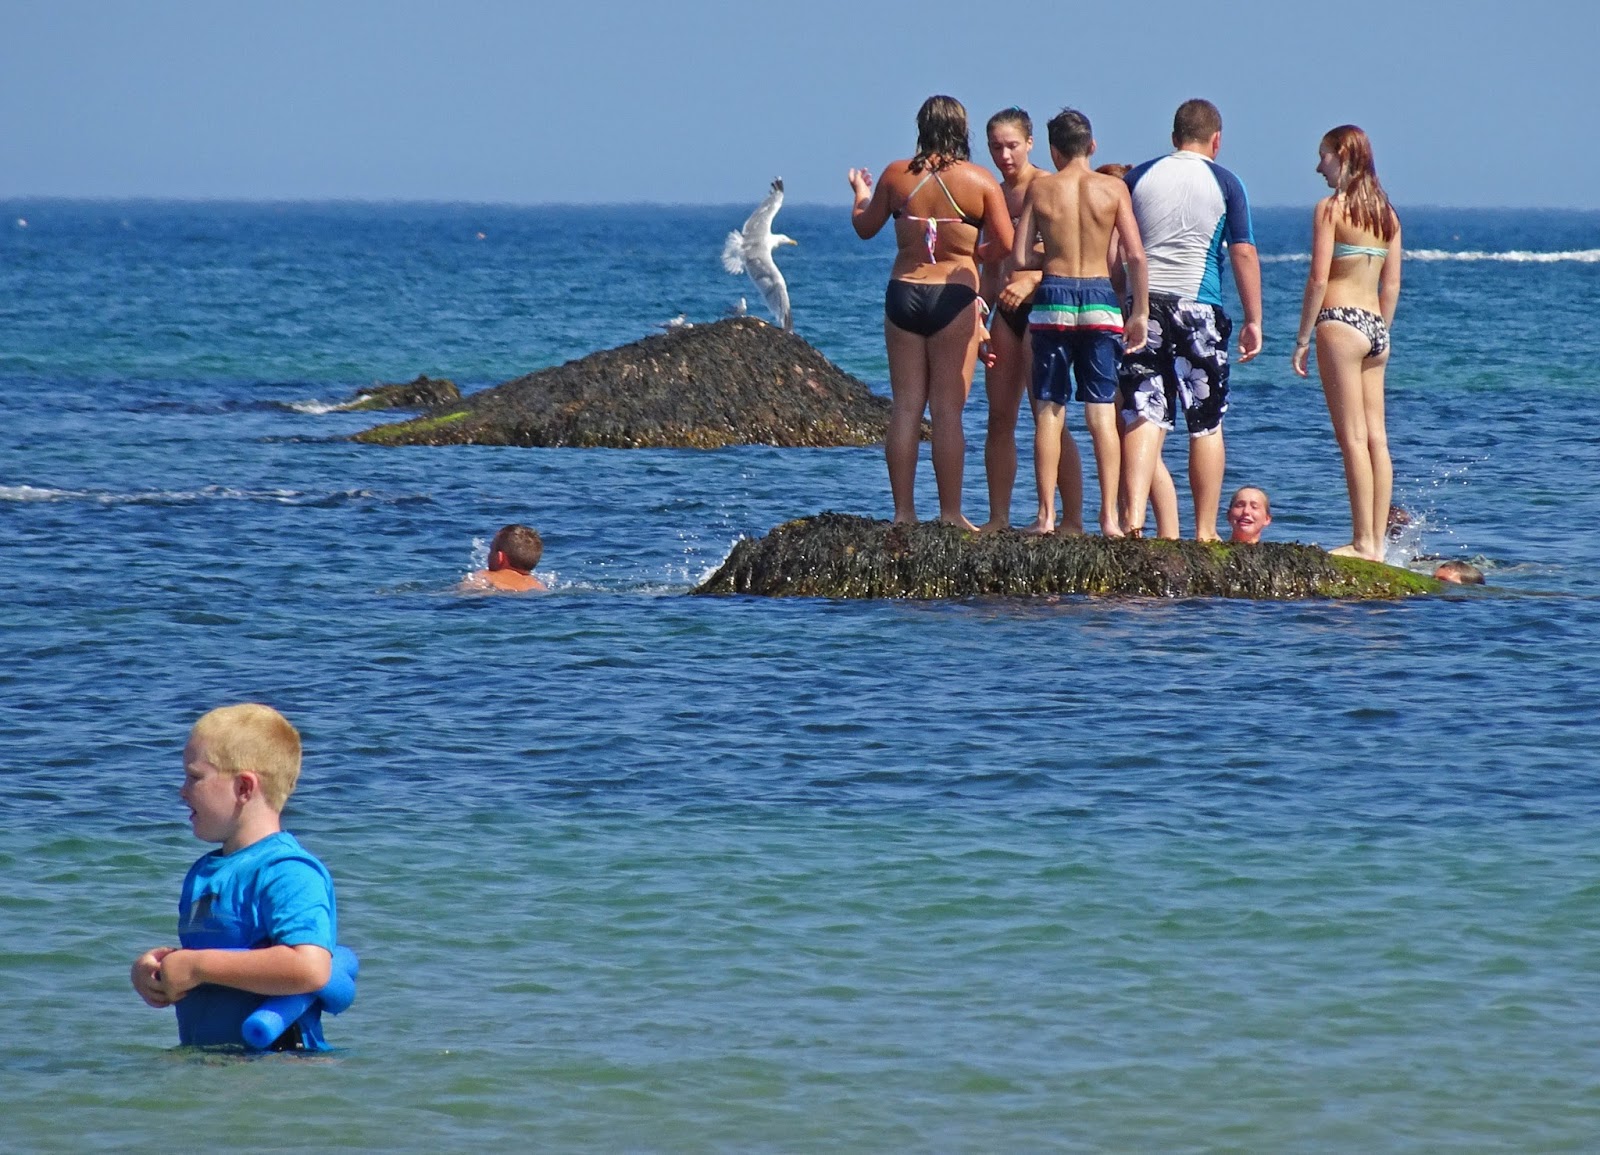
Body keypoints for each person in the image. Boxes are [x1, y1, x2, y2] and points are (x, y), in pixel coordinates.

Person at [130, 704, 339, 1050]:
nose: (182, 791)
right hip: (212, 1066)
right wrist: (155, 973)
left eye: (195, 777)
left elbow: (310, 968)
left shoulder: (288, 871)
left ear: (244, 787)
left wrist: (197, 966)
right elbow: (218, 953)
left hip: (278, 1068)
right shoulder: (204, 872)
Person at [848, 95, 1014, 528]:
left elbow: (865, 227)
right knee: (946, 411)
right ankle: (951, 514)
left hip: (904, 292)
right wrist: (974, 253)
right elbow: (1008, 244)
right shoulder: (980, 182)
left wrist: (860, 194)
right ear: (962, 131)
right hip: (953, 296)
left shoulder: (895, 176)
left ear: (921, 127)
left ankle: (903, 513)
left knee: (905, 406)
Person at [1120, 98, 1263, 542]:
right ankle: (1203, 531)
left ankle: (1132, 524)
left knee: (1145, 414)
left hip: (1145, 306)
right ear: (1216, 140)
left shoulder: (1138, 177)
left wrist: (1123, 301)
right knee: (1205, 421)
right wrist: (1253, 318)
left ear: (1173, 137)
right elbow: (1241, 251)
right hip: (1198, 308)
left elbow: (1118, 250)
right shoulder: (1224, 182)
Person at [1012, 108, 1148, 536]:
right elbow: (1136, 256)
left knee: (1050, 410)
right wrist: (1139, 312)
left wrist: (1048, 255)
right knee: (1101, 413)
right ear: (1092, 146)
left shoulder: (1041, 189)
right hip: (1099, 299)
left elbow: (1018, 257)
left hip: (1053, 295)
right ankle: (1109, 518)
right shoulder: (1113, 189)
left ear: (1053, 150)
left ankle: (1046, 516)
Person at [1291, 125, 1402, 562]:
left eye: (1324, 157)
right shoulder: (1388, 216)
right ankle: (1377, 542)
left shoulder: (1330, 209)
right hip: (1376, 327)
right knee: (1379, 439)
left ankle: (1362, 542)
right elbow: (1391, 287)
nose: (1319, 167)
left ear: (1342, 154)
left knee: (1352, 439)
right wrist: (1381, 330)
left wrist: (1302, 339)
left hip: (1339, 322)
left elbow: (1319, 279)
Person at [977, 107, 1076, 531]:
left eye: (1012, 146)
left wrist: (1034, 278)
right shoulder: (992, 193)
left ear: (1031, 143)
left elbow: (1073, 256)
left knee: (1048, 416)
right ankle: (998, 518)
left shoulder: (1048, 188)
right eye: (996, 147)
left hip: (1045, 307)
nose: (1005, 155)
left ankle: (1064, 517)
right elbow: (988, 264)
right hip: (1003, 310)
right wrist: (979, 314)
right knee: (999, 416)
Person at [1099, 161, 1179, 539]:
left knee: (1136, 434)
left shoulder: (1122, 233)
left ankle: (1156, 526)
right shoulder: (1135, 230)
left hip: (1123, 333)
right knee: (1135, 437)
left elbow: (1115, 277)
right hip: (1123, 331)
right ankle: (1164, 530)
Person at [465, 523, 548, 592]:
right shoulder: (540, 587)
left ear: (500, 557)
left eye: (491, 550)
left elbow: (462, 594)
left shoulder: (485, 576)